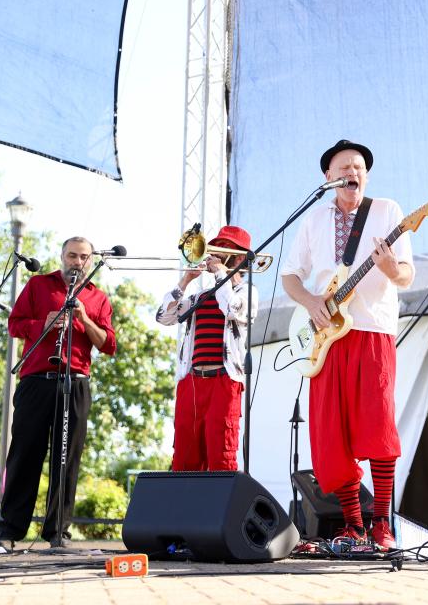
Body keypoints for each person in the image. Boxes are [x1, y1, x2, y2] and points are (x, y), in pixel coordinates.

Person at [282, 140, 414, 550]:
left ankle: (382, 525)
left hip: (373, 331)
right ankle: (353, 526)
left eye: (359, 166)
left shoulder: (387, 211)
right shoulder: (313, 221)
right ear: (329, 177)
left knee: (378, 427)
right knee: (329, 434)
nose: (353, 171)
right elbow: (290, 277)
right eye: (345, 167)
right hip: (325, 338)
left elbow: (406, 275)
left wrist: (391, 267)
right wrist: (312, 302)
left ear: (366, 176)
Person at [0, 237, 116, 548]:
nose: (78, 262)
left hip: (75, 381)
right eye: (72, 256)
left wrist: (84, 319)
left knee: (67, 458)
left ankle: (57, 532)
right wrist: (43, 324)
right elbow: (14, 324)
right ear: (62, 256)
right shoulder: (39, 285)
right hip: (36, 380)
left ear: (91, 261)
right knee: (24, 454)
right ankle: (9, 531)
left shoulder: (98, 298)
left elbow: (108, 344)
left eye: (84, 257)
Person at [155, 226, 257, 471]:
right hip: (191, 382)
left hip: (224, 382)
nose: (216, 254)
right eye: (216, 247)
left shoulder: (247, 292)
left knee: (221, 457)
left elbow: (231, 307)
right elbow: (164, 317)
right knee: (184, 460)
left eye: (225, 248)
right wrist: (186, 280)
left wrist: (222, 274)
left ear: (240, 258)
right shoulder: (199, 297)